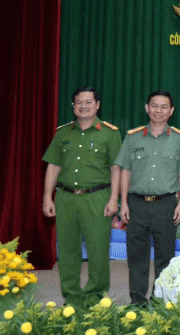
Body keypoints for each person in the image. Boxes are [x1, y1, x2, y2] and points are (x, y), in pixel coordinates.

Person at [42, 86, 122, 307]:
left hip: (97, 198)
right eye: (79, 102)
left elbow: (116, 168)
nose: (83, 106)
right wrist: (47, 196)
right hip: (66, 198)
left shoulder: (110, 133)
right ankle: (72, 297)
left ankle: (95, 296)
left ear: (97, 105)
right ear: (73, 106)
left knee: (98, 249)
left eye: (88, 102)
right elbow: (53, 165)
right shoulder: (63, 133)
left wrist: (113, 198)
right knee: (68, 250)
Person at [115, 91, 180, 306]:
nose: (159, 111)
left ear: (171, 111)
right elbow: (125, 170)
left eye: (164, 107)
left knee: (165, 256)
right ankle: (137, 301)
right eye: (154, 106)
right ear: (147, 108)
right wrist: (123, 203)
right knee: (137, 256)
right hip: (136, 204)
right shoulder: (133, 137)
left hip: (166, 204)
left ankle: (159, 300)